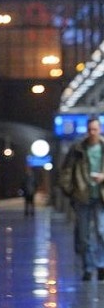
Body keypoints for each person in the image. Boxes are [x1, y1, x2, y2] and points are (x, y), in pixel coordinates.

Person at [59, 116, 104, 281]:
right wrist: (70, 191)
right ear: (87, 130)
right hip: (82, 196)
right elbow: (66, 171)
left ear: (100, 130)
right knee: (83, 235)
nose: (93, 133)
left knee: (102, 231)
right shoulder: (78, 149)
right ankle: (88, 267)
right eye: (90, 129)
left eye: (96, 129)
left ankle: (100, 265)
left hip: (100, 196)